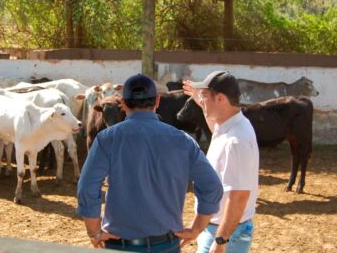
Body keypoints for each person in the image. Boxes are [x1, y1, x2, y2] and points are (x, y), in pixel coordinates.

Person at [77, 73, 223, 252]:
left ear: (123, 104)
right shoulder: (182, 140)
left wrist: (94, 232)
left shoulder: (107, 139)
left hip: (120, 245)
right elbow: (212, 186)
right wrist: (196, 229)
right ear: (158, 101)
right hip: (166, 244)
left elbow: (86, 188)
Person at [182, 70, 259, 253]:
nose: (201, 99)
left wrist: (221, 240)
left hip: (227, 234)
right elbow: (215, 127)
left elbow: (239, 196)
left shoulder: (236, 141)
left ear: (220, 99)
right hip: (220, 228)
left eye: (205, 95)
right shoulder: (228, 125)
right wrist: (200, 101)